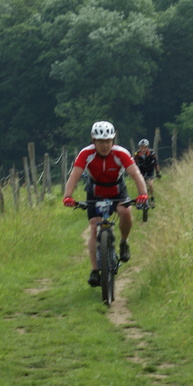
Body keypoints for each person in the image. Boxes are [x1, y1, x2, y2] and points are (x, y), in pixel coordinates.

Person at [63, 121, 148, 287]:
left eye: (108, 141)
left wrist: (143, 194)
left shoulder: (121, 153)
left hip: (117, 191)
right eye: (101, 141)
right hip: (95, 192)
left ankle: (123, 242)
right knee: (94, 227)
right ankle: (95, 270)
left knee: (126, 213)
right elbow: (74, 175)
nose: (105, 145)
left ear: (113, 140)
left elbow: (136, 174)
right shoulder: (86, 154)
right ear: (93, 140)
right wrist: (68, 196)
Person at [132, 138, 160, 204]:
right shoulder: (136, 154)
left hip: (150, 170)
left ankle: (152, 197)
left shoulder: (152, 153)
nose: (143, 149)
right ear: (139, 148)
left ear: (147, 147)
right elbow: (134, 164)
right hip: (141, 170)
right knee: (140, 185)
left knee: (150, 184)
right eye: (141, 148)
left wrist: (157, 173)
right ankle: (141, 199)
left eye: (145, 147)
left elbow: (156, 163)